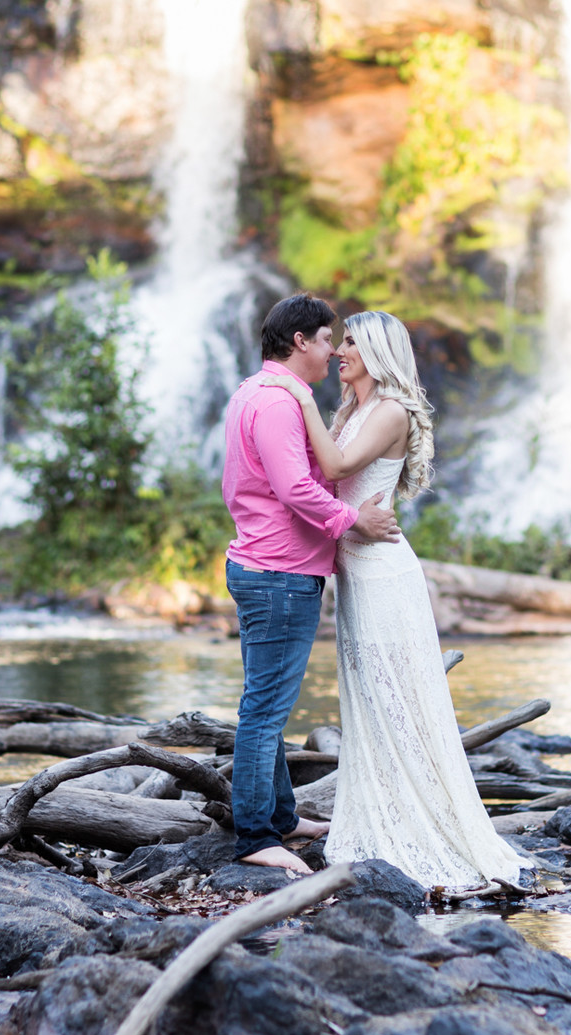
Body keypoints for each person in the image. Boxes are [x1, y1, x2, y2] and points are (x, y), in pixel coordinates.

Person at [261, 309, 532, 892]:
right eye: (342, 342)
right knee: (367, 700)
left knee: (396, 697)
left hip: (384, 575)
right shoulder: (354, 408)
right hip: (354, 573)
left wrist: (295, 395)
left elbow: (333, 467)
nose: (341, 352)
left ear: (380, 353)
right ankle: (382, 815)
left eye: (352, 343)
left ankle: (421, 824)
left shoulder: (389, 411)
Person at [222, 292, 401, 876]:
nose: (332, 350)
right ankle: (254, 834)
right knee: (266, 710)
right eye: (327, 338)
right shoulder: (275, 403)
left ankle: (278, 815)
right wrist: (355, 520)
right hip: (279, 573)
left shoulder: (256, 391)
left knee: (264, 700)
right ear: (300, 342)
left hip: (267, 566)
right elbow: (299, 489)